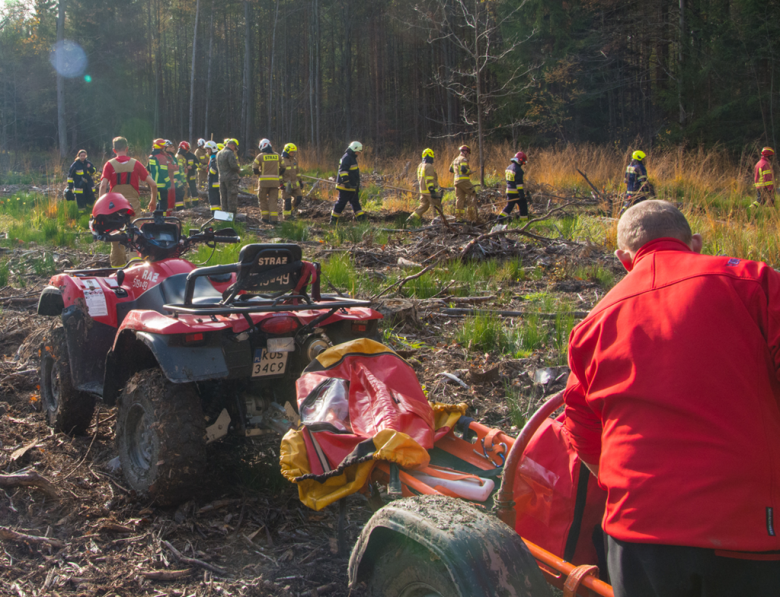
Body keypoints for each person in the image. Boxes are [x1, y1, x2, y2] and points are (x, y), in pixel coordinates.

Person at [563, 200, 780, 597]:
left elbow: (580, 426)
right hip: (749, 532)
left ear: (623, 259)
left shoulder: (591, 324)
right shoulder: (752, 282)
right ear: (694, 243)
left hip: (637, 537)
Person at [98, 136, 157, 267]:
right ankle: (135, 268)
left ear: (114, 150)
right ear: (127, 148)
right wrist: (153, 201)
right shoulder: (136, 164)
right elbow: (153, 185)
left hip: (114, 207)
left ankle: (117, 270)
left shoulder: (109, 164)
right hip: (133, 206)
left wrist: (101, 207)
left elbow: (103, 186)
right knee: (135, 237)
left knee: (116, 237)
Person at [331, 141, 366, 224]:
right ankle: (333, 220)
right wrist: (346, 182)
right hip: (345, 187)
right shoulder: (347, 158)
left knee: (355, 202)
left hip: (352, 187)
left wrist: (356, 186)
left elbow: (354, 174)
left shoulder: (352, 158)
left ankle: (361, 220)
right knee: (341, 203)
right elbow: (343, 171)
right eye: (358, 152)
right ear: (354, 149)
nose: (359, 154)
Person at [407, 148, 443, 224]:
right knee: (437, 206)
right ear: (430, 157)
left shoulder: (420, 166)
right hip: (429, 191)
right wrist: (432, 191)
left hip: (423, 191)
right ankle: (438, 223)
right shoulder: (429, 166)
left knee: (423, 206)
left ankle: (411, 219)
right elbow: (429, 180)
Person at [253, 138, 284, 223]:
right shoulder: (277, 155)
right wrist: (277, 175)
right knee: (273, 201)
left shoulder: (260, 156)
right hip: (275, 183)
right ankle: (274, 220)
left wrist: (259, 174)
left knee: (262, 200)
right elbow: (284, 167)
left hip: (263, 183)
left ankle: (265, 218)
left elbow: (254, 168)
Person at [449, 144, 477, 222]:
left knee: (459, 199)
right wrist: (470, 172)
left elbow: (450, 169)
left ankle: (458, 218)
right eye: (468, 153)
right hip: (464, 181)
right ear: (465, 152)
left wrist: (456, 172)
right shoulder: (464, 159)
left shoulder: (455, 159)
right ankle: (472, 217)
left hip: (456, 182)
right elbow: (463, 169)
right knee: (472, 194)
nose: (468, 155)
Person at [498, 151, 528, 221]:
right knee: (523, 205)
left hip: (509, 191)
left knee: (509, 206)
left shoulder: (508, 168)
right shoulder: (518, 170)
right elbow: (519, 184)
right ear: (520, 160)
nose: (522, 164)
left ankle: (500, 218)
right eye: (522, 162)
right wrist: (521, 194)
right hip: (516, 192)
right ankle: (524, 221)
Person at [147, 138, 174, 215]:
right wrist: (168, 182)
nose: (165, 149)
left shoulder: (151, 156)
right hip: (162, 185)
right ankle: (162, 220)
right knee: (163, 203)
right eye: (164, 147)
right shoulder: (161, 157)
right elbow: (164, 172)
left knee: (159, 201)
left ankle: (156, 218)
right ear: (161, 147)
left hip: (153, 183)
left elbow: (148, 168)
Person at [217, 138, 241, 214]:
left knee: (223, 197)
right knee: (232, 197)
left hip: (221, 178)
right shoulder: (229, 153)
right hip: (231, 179)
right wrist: (238, 170)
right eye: (234, 148)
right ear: (232, 146)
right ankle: (231, 216)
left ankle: (224, 214)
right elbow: (233, 166)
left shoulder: (219, 153)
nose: (234, 150)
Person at [281, 143, 304, 219]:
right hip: (286, 184)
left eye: (294, 152)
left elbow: (297, 172)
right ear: (287, 151)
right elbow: (279, 174)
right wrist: (281, 184)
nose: (293, 153)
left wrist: (300, 181)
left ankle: (291, 211)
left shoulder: (294, 161)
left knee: (299, 198)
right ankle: (287, 216)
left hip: (295, 184)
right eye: (292, 152)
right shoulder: (282, 161)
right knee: (287, 201)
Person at [177, 141, 199, 206]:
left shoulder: (192, 155)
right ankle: (187, 204)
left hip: (191, 176)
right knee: (186, 191)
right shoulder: (181, 156)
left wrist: (192, 167)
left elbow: (198, 164)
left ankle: (195, 204)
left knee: (194, 190)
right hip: (184, 177)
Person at [205, 141, 221, 212]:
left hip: (214, 183)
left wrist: (209, 171)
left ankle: (215, 215)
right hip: (214, 182)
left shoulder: (214, 159)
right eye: (206, 149)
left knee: (214, 201)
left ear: (213, 149)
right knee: (216, 200)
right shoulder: (213, 157)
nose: (207, 151)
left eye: (208, 149)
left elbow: (214, 170)